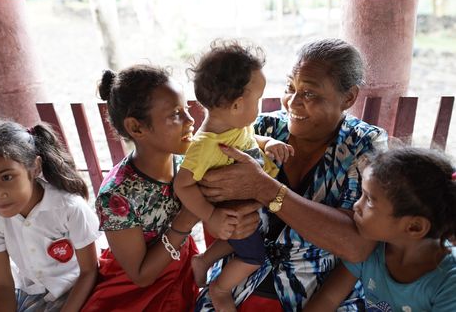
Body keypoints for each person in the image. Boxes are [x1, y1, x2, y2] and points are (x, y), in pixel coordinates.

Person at [195, 38, 388, 311]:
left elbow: (357, 245)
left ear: (348, 98)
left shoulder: (362, 145)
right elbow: (202, 180)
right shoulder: (260, 130)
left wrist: (265, 188)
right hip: (234, 288)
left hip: (316, 296)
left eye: (309, 94)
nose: (292, 103)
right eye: (290, 88)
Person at [81, 64, 260, 312]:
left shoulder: (186, 163)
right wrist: (185, 221)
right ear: (136, 127)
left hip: (183, 276)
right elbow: (140, 276)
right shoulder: (117, 196)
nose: (190, 120)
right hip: (135, 296)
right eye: (176, 114)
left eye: (186, 109)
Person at [174, 40, 293, 312]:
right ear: (238, 105)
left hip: (251, 208)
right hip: (234, 212)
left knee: (243, 238)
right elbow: (183, 184)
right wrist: (211, 215)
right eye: (258, 99)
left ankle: (203, 261)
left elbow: (248, 139)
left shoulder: (233, 126)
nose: (260, 106)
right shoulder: (205, 145)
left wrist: (267, 143)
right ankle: (221, 289)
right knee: (253, 256)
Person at [0, 121, 100, 312]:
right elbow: (2, 285)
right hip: (32, 297)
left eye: (6, 177)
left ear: (34, 167)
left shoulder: (69, 208)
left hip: (79, 291)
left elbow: (89, 271)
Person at [304, 147, 456, 311]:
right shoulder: (370, 249)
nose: (356, 206)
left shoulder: (448, 281)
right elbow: (328, 299)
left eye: (369, 200)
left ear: (414, 227)